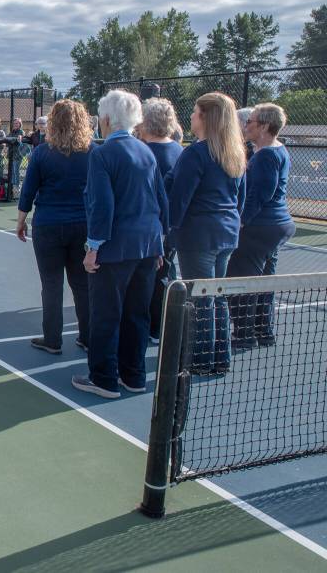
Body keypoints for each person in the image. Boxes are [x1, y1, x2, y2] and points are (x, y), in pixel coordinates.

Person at [73, 90, 167, 399]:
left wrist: (92, 249)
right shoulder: (146, 151)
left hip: (115, 248)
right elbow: (160, 203)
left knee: (105, 314)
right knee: (137, 314)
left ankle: (103, 378)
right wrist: (160, 246)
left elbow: (102, 207)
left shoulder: (102, 154)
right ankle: (134, 375)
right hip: (147, 245)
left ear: (108, 119)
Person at [165, 92, 247, 374]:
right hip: (225, 233)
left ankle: (200, 361)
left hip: (199, 235)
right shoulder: (233, 152)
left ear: (205, 117)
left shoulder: (196, 154)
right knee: (216, 295)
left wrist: (169, 231)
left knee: (200, 298)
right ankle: (219, 358)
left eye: (195, 111)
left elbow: (179, 199)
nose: (190, 116)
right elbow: (240, 198)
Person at [15, 100, 93, 354]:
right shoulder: (92, 152)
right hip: (82, 226)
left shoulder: (41, 153)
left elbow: (28, 192)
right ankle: (88, 336)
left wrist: (20, 221)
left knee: (51, 284)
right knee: (82, 284)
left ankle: (52, 339)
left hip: (48, 225)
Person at [227, 103, 294, 348]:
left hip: (261, 228)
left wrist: (241, 221)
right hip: (275, 226)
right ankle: (263, 331)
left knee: (242, 280)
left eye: (251, 122)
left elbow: (261, 193)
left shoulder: (265, 155)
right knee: (264, 281)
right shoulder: (276, 151)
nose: (246, 126)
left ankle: (243, 336)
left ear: (265, 126)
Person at [137, 98, 184, 342]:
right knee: (163, 276)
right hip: (171, 227)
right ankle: (159, 327)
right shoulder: (179, 150)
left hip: (150, 229)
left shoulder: (143, 152)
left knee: (147, 282)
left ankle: (152, 329)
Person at [9, 117, 27, 190]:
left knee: (16, 170)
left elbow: (16, 140)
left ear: (20, 124)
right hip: (11, 153)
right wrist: (14, 140)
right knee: (12, 170)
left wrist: (15, 139)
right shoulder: (12, 132)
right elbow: (8, 140)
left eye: (17, 123)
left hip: (18, 154)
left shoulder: (21, 132)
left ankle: (17, 185)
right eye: (15, 123)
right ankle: (13, 185)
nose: (16, 124)